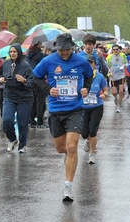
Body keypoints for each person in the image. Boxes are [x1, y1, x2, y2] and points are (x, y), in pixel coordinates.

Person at [33, 33, 93, 202]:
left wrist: (86, 89)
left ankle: (68, 186)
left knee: (72, 146)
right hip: (56, 110)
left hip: (75, 109)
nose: (64, 53)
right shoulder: (48, 61)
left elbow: (89, 76)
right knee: (61, 149)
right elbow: (35, 77)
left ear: (72, 47)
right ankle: (70, 158)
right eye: (61, 50)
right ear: (56, 48)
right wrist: (47, 89)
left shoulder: (81, 61)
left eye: (67, 49)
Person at [0, 43, 34, 153]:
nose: (12, 53)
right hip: (9, 96)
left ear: (19, 52)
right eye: (11, 52)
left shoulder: (26, 65)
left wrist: (24, 80)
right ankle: (12, 139)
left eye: (15, 51)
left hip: (24, 98)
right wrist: (1, 79)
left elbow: (32, 82)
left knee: (22, 123)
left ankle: (22, 145)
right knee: (6, 120)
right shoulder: (6, 64)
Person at [81, 54, 108, 164]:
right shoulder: (80, 76)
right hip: (83, 107)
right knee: (83, 133)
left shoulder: (100, 77)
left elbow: (105, 90)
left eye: (91, 63)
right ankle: (87, 140)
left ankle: (92, 155)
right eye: (87, 63)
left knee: (93, 131)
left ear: (95, 64)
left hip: (96, 107)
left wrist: (104, 95)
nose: (89, 65)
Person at [26, 41, 47, 128]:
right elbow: (44, 65)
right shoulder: (39, 54)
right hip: (39, 79)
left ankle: (31, 121)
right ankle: (40, 122)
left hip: (30, 79)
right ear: (38, 44)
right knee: (40, 101)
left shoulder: (28, 54)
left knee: (33, 101)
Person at [106, 44, 127, 113]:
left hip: (121, 75)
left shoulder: (122, 56)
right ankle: (116, 98)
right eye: (114, 49)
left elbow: (126, 64)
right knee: (114, 92)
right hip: (113, 76)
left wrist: (124, 66)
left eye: (116, 49)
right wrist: (109, 72)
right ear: (112, 50)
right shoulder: (109, 57)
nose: (115, 51)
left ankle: (118, 106)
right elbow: (107, 66)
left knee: (121, 91)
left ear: (119, 50)